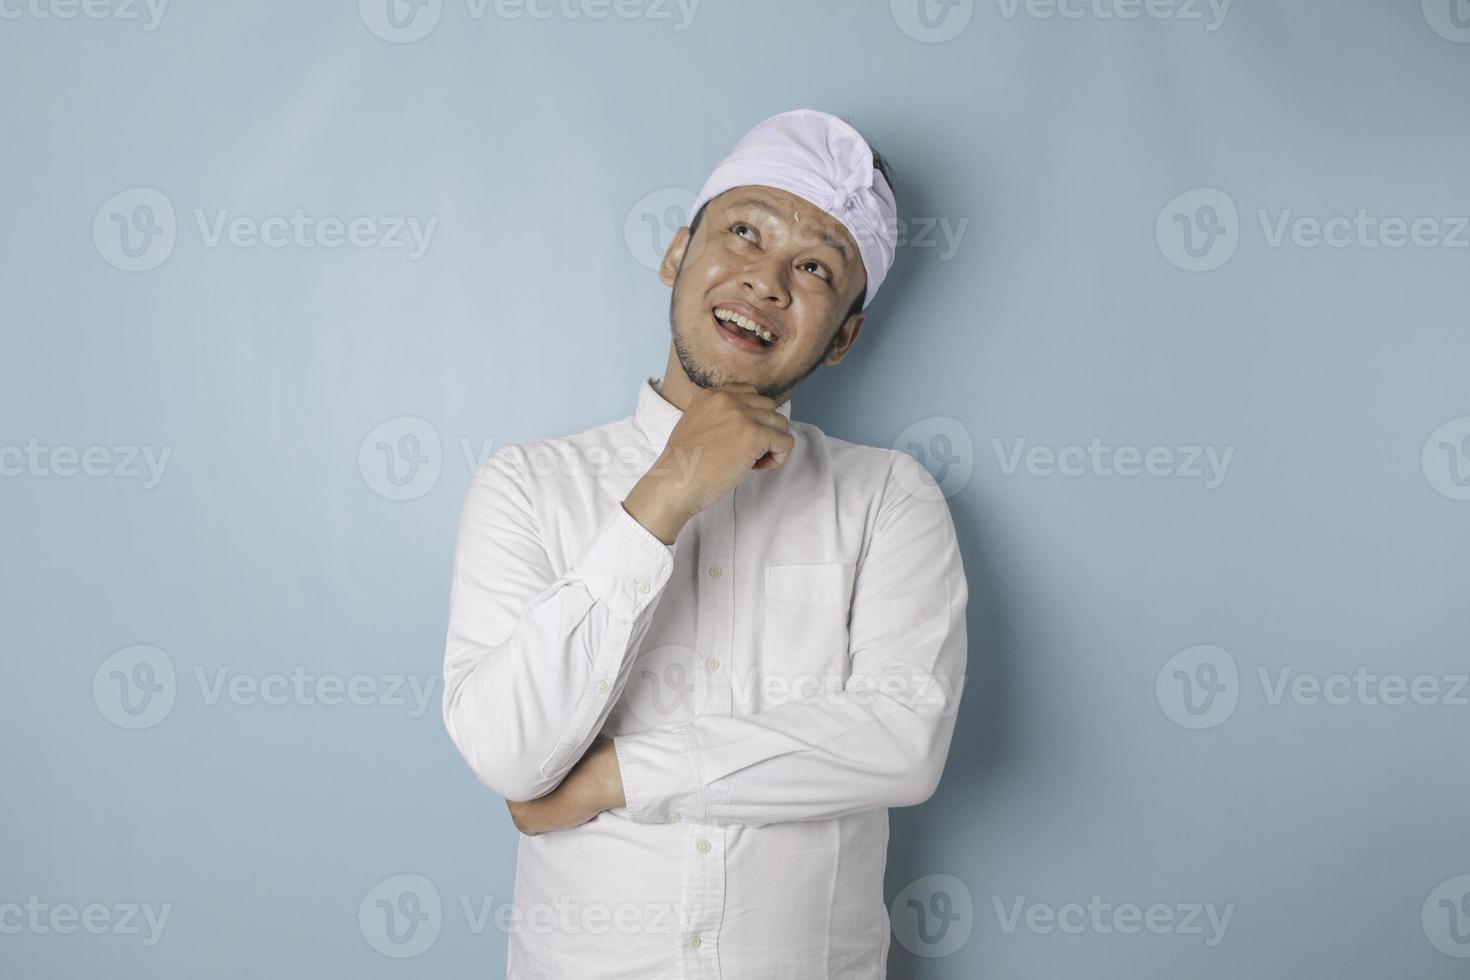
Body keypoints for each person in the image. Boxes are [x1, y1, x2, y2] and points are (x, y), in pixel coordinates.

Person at [441, 108, 969, 979]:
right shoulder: (525, 485)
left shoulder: (889, 500)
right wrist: (665, 493)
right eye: (743, 233)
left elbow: (902, 739)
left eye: (813, 268)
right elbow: (508, 752)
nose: (765, 281)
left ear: (843, 335)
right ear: (676, 253)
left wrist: (623, 776)